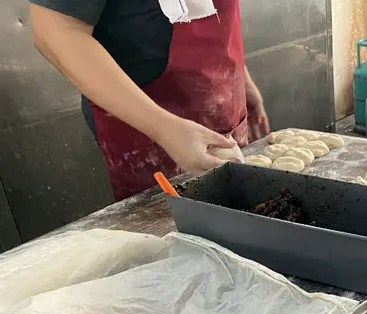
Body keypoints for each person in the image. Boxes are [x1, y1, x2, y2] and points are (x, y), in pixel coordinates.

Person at [29, 0, 270, 201]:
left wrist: (240, 79)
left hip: (222, 106)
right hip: (146, 128)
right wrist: (163, 128)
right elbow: (53, 30)